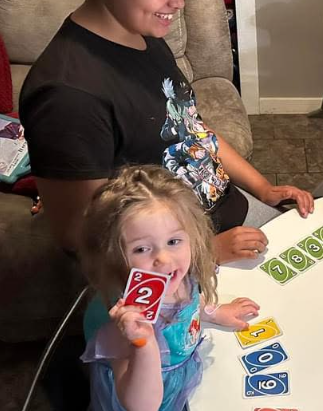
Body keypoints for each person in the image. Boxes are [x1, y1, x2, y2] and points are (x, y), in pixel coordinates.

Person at [19, 0, 313, 264]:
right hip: (175, 262)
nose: (179, 1)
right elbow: (78, 236)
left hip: (230, 214)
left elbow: (192, 128)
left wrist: (263, 188)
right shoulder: (67, 95)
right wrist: (205, 252)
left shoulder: (143, 34)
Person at [79, 165, 261, 410]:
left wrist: (213, 312)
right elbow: (141, 406)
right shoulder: (124, 319)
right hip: (147, 390)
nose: (164, 259)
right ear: (112, 256)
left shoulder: (180, 274)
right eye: (141, 249)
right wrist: (143, 343)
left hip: (179, 377)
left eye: (174, 241)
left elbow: (191, 300)